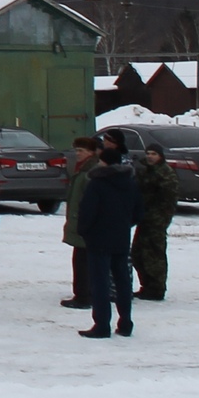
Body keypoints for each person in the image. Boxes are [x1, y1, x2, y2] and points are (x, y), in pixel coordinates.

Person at [78, 132, 141, 339]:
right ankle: (126, 323)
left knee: (100, 283)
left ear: (103, 162)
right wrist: (124, 225)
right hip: (121, 238)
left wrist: (84, 231)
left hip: (98, 239)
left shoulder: (97, 183)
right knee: (122, 282)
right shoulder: (130, 182)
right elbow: (139, 211)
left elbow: (87, 212)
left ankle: (102, 324)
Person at [60, 134, 103, 310]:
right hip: (81, 222)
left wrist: (85, 221)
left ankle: (83, 296)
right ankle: (84, 294)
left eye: (81, 150)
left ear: (91, 152)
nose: (77, 154)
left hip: (85, 225)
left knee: (83, 262)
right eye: (76, 150)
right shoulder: (82, 169)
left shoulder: (90, 172)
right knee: (81, 260)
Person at [133, 141, 178, 302]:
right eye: (148, 153)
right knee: (138, 253)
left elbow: (168, 200)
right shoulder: (144, 171)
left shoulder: (166, 174)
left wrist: (161, 219)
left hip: (157, 220)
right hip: (144, 218)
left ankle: (156, 288)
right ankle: (146, 285)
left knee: (154, 254)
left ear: (160, 156)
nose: (150, 157)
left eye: (154, 154)